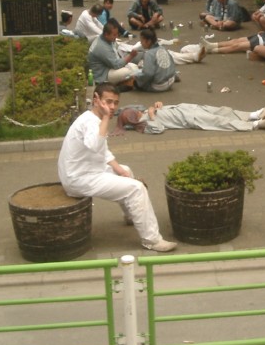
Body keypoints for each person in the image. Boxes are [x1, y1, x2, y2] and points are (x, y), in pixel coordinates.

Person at [58, 82, 177, 252]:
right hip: (79, 178)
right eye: (108, 102)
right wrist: (107, 118)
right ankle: (152, 240)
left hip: (84, 171)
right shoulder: (93, 122)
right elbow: (94, 145)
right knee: (136, 189)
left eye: (115, 102)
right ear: (96, 99)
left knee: (126, 170)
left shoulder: (90, 117)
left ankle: (131, 215)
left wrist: (120, 170)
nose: (112, 107)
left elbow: (103, 151)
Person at [201, 1, 265, 62]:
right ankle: (213, 44)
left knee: (237, 46)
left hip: (264, 41)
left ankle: (211, 50)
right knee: (236, 40)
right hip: (263, 36)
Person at [113, 100, 265, 135]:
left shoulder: (147, 112)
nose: (137, 111)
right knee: (220, 122)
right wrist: (153, 115)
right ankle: (256, 124)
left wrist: (157, 106)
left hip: (186, 108)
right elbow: (159, 129)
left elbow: (161, 109)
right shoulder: (145, 123)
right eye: (134, 113)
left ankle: (254, 114)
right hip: (189, 119)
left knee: (221, 110)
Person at [124, 28, 178, 92]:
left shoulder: (149, 54)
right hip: (171, 80)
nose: (141, 43)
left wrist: (135, 77)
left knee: (133, 80)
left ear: (148, 41)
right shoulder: (163, 48)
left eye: (142, 41)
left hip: (159, 86)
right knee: (141, 72)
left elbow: (148, 74)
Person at [88, 21, 140, 87]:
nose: (117, 36)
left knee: (134, 67)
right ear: (106, 34)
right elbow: (116, 65)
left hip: (108, 68)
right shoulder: (101, 47)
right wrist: (131, 56)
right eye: (114, 35)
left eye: (117, 34)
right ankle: (122, 83)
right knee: (133, 70)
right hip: (103, 75)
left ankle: (124, 81)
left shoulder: (106, 39)